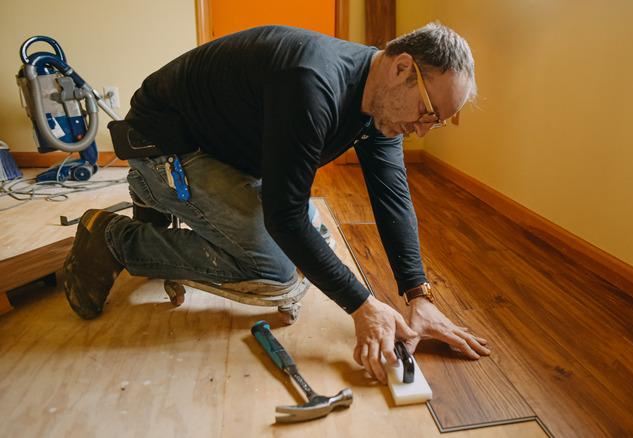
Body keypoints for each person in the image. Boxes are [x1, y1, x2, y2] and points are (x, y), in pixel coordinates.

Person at [63, 22, 490, 383]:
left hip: (223, 149)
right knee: (274, 271)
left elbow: (392, 197)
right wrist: (362, 305)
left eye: (438, 122)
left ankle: (160, 204)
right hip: (162, 144)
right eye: (428, 112)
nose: (422, 130)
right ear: (402, 68)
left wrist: (420, 296)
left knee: (315, 242)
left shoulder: (378, 99)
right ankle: (114, 235)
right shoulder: (312, 81)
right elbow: (284, 216)